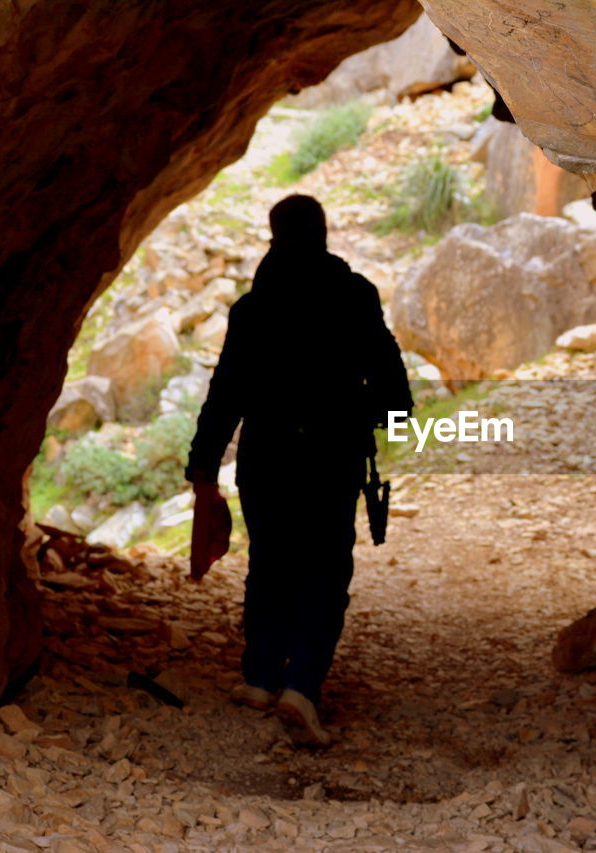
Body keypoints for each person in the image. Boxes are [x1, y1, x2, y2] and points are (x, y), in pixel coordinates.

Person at [184, 194, 412, 746]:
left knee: (269, 564)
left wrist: (204, 467)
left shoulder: (251, 309)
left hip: (264, 460)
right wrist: (377, 420)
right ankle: (302, 687)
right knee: (324, 572)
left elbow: (226, 393)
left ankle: (261, 678)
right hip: (330, 460)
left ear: (273, 235)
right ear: (324, 232)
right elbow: (393, 389)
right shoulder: (355, 297)